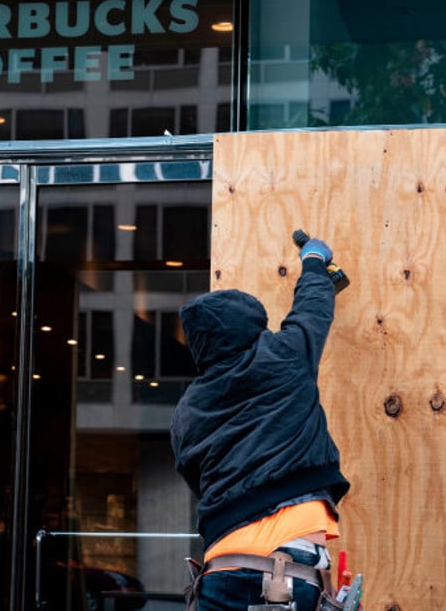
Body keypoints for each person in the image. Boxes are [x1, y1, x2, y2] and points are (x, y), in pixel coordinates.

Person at [170, 232, 351, 610]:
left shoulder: (188, 408)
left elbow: (197, 478)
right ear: (250, 325)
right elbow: (311, 310)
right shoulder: (283, 357)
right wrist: (315, 260)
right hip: (286, 569)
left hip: (220, 567)